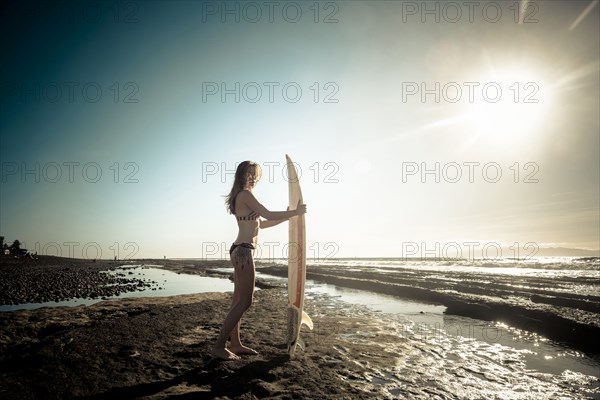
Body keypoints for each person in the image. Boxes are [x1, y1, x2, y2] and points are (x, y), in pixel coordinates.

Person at [211, 160, 307, 361]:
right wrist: (295, 212)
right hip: (244, 252)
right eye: (249, 174)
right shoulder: (245, 194)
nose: (253, 178)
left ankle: (235, 344)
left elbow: (262, 224)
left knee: (238, 300)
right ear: (241, 175)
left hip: (240, 250)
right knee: (246, 301)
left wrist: (289, 217)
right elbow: (268, 213)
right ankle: (219, 346)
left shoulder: (244, 196)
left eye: (255, 174)